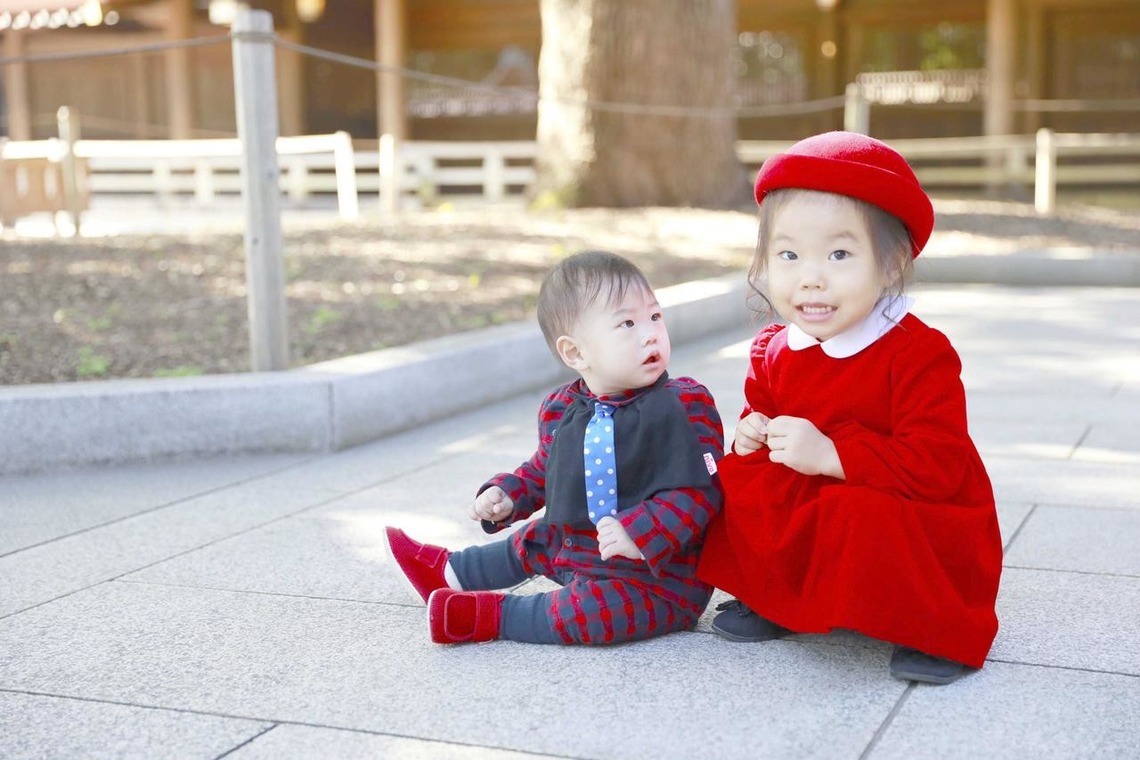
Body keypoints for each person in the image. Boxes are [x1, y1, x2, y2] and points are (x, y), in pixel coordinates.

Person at [697, 131, 1003, 685]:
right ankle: (777, 596)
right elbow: (759, 408)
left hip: (902, 492)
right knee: (741, 480)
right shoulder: (775, 348)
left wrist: (834, 455)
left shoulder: (916, 353)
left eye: (839, 254)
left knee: (857, 512)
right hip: (814, 484)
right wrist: (753, 431)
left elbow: (937, 464)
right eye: (788, 255)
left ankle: (935, 628)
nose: (811, 277)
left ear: (890, 264)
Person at [384, 250, 724, 645]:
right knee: (538, 536)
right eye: (627, 323)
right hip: (582, 550)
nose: (650, 333)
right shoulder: (563, 408)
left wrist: (640, 531)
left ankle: (489, 616)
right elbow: (546, 469)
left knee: (593, 612)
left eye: (655, 316)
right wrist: (509, 494)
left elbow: (701, 491)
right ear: (576, 353)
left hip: (656, 579)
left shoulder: (683, 404)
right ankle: (449, 573)